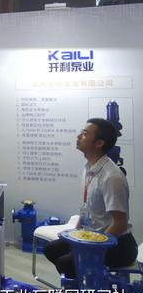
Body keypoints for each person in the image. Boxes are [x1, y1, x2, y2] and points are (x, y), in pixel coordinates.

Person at [43, 118, 138, 279]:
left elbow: (120, 223)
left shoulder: (111, 177)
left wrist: (92, 248)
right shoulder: (89, 168)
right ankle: (88, 281)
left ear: (99, 143)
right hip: (93, 236)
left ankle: (91, 289)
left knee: (65, 264)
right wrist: (74, 232)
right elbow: (87, 208)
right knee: (51, 249)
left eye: (85, 134)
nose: (78, 136)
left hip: (117, 244)